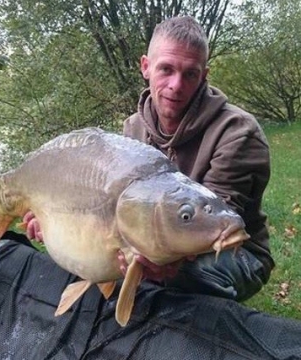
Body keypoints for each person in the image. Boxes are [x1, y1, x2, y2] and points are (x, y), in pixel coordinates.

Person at [25, 16, 274, 302]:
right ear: (146, 66)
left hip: (234, 254)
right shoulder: (133, 128)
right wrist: (55, 221)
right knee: (120, 260)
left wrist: (155, 260)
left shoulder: (238, 132)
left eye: (190, 74)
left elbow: (213, 225)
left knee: (184, 275)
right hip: (159, 238)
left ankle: (198, 335)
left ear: (204, 75)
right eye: (166, 69)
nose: (176, 85)